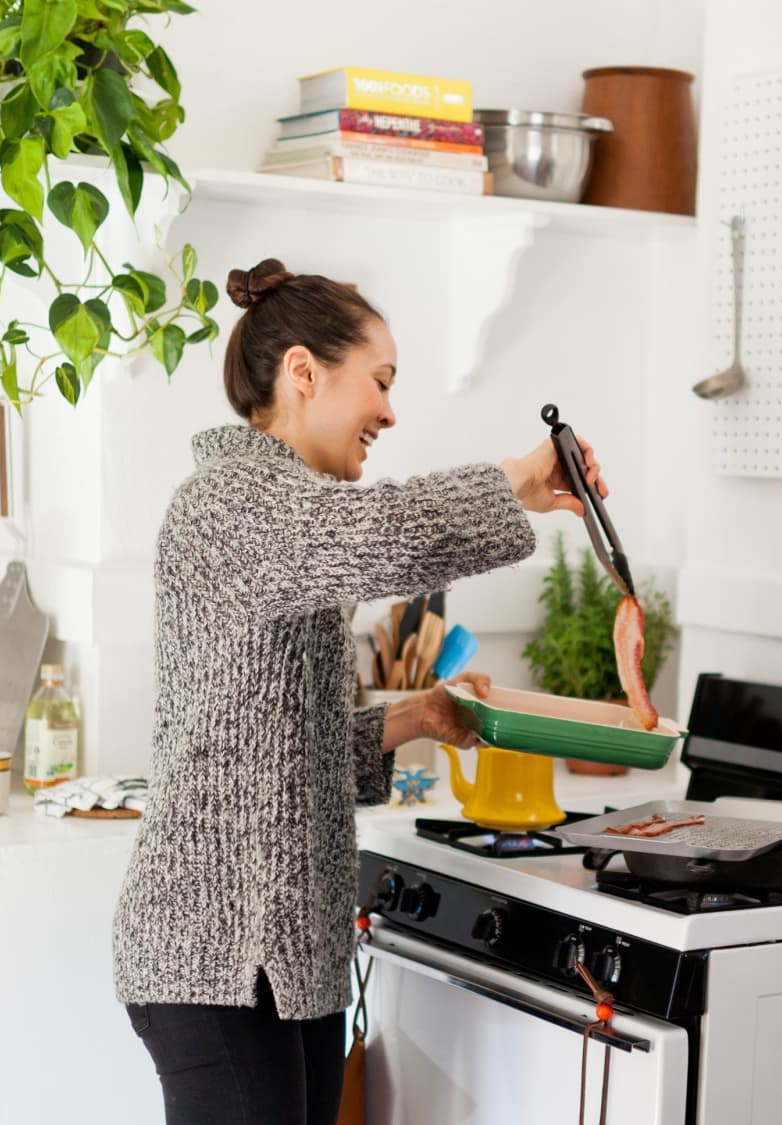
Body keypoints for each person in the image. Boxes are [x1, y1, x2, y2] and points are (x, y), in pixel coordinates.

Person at [111, 258, 606, 1125]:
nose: (388, 410)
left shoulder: (287, 514)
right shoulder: (228, 502)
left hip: (285, 958)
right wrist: (514, 483)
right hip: (212, 956)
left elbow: (284, 754)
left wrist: (416, 716)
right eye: (379, 381)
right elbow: (370, 533)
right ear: (303, 373)